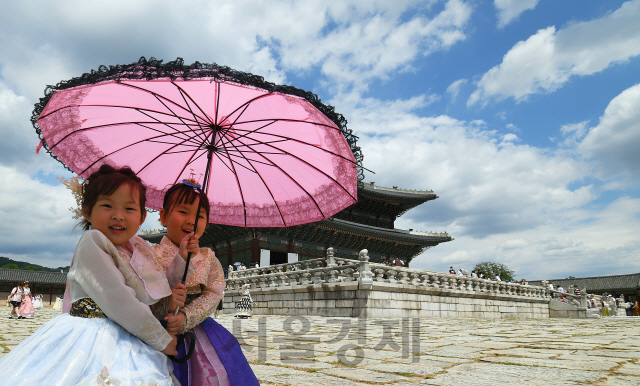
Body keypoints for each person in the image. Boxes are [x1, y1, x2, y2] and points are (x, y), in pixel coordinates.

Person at [0, 165, 184, 385]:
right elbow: (120, 300)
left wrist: (181, 260)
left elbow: (153, 287)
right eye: (107, 205)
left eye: (129, 208)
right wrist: (161, 340)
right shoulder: (93, 242)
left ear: (143, 216)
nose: (118, 216)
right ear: (86, 211)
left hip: (130, 331)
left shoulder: (139, 247)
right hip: (91, 334)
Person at [152, 180, 259, 386]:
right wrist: (169, 303)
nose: (191, 221)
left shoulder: (208, 257)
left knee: (222, 370)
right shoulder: (149, 254)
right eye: (183, 212)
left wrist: (186, 316)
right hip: (157, 327)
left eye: (199, 216)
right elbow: (146, 289)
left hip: (196, 328)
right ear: (164, 216)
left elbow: (213, 293)